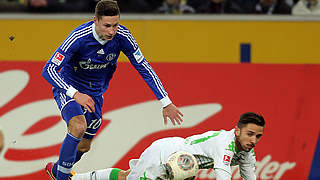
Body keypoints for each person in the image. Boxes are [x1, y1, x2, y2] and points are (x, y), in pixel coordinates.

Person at [41, 0, 183, 180]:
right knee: (78, 126)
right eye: (107, 25)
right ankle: (61, 177)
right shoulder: (78, 37)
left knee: (84, 146)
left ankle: (56, 171)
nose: (111, 31)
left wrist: (166, 102)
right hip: (70, 88)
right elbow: (48, 70)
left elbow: (143, 67)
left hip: (95, 94)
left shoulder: (123, 36)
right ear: (95, 20)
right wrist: (75, 94)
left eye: (115, 25)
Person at [68, 112, 265, 180]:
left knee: (127, 176)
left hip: (183, 164)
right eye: (250, 134)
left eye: (258, 136)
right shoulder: (226, 144)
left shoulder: (247, 151)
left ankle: (75, 178)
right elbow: (223, 175)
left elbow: (249, 177)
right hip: (169, 154)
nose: (253, 140)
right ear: (237, 131)